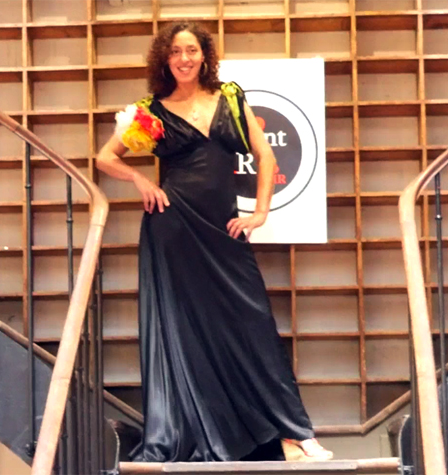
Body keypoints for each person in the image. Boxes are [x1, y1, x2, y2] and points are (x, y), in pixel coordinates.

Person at [95, 21, 332, 463]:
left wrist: (260, 212)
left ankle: (295, 432)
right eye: (175, 52)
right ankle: (199, 432)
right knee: (184, 331)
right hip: (172, 227)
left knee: (254, 326)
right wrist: (141, 180)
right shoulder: (150, 112)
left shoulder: (230, 97)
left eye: (191, 50)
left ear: (204, 55)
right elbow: (104, 157)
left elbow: (265, 155)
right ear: (165, 59)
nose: (183, 59)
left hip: (224, 229)